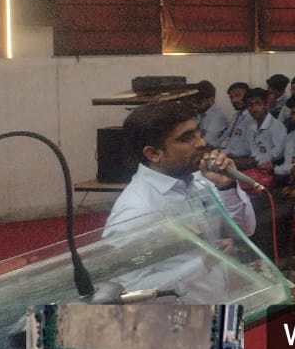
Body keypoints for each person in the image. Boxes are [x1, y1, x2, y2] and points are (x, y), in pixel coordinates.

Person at [103, 101, 257, 300]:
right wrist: (201, 264)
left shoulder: (200, 179)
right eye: (186, 138)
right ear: (154, 154)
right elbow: (129, 292)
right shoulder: (136, 211)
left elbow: (245, 230)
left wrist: (226, 188)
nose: (201, 143)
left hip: (219, 298)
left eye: (197, 132)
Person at [191, 80, 228, 148]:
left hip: (209, 149)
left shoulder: (218, 116)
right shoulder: (200, 113)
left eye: (199, 102)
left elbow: (206, 142)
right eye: (193, 102)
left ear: (211, 100)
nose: (195, 105)